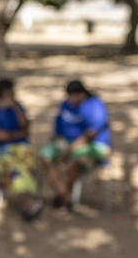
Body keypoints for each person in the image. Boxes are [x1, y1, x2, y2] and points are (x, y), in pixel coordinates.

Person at [40, 80, 111, 211]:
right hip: (65, 142)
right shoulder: (65, 105)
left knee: (75, 161)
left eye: (72, 96)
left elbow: (92, 133)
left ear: (82, 94)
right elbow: (58, 128)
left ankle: (62, 197)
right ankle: (65, 195)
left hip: (93, 146)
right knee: (46, 156)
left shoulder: (95, 105)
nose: (70, 100)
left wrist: (70, 150)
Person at [0, 79, 43, 220]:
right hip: (1, 151)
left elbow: (25, 128)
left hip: (21, 149)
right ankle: (28, 202)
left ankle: (27, 201)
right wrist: (17, 135)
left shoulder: (18, 107)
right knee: (15, 167)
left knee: (27, 163)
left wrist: (15, 108)